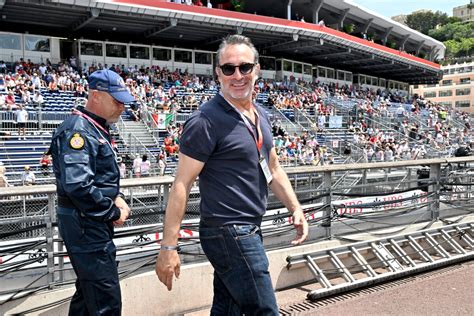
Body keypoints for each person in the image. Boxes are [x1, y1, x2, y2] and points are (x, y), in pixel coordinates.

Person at [155, 35, 308, 315]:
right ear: (218, 73)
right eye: (229, 69)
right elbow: (181, 184)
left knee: (228, 309)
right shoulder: (205, 120)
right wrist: (168, 247)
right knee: (264, 310)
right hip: (228, 230)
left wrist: (295, 207)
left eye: (245, 67)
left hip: (248, 228)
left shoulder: (260, 115)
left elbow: (273, 168)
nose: (238, 75)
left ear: (257, 69)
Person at [50, 69, 133, 315]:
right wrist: (111, 211)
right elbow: (78, 186)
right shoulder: (80, 130)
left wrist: (114, 196)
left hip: (87, 221)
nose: (122, 106)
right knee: (105, 300)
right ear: (96, 96)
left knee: (89, 297)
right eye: (117, 100)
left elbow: (95, 178)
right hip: (87, 222)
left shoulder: (93, 127)